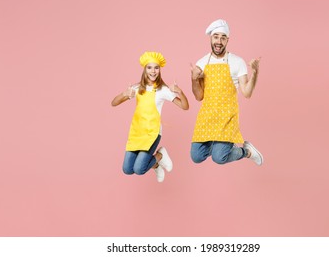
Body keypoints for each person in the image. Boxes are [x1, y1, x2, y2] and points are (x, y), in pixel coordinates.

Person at [190, 19, 264, 166]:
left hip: (227, 116)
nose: (219, 41)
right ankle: (218, 145)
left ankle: (246, 151)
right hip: (207, 116)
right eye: (216, 37)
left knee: (219, 158)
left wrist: (255, 72)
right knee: (196, 156)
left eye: (223, 38)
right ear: (211, 38)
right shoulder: (201, 63)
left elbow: (247, 93)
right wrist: (193, 79)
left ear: (227, 40)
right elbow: (199, 96)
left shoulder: (237, 62)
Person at [112, 51, 189, 182]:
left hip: (152, 133)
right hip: (137, 133)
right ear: (144, 69)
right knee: (127, 169)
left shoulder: (163, 90)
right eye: (149, 67)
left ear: (159, 70)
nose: (153, 71)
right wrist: (125, 94)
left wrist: (180, 92)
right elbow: (114, 103)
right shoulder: (136, 88)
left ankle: (159, 155)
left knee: (139, 169)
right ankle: (156, 165)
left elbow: (184, 106)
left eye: (156, 68)